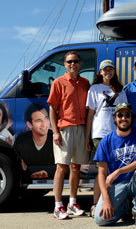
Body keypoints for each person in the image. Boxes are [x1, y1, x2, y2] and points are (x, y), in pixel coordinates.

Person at [93, 102, 136, 226]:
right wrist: (106, 200)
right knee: (100, 219)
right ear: (115, 118)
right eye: (120, 115)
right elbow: (101, 173)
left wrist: (118, 171)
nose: (123, 118)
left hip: (134, 182)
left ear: (132, 118)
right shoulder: (106, 141)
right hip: (117, 185)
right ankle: (125, 207)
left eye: (127, 115)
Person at [47, 51, 90, 220]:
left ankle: (72, 203)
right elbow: (52, 108)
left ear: (80, 63)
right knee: (61, 167)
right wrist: (55, 132)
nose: (73, 64)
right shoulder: (58, 83)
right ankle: (58, 206)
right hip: (64, 129)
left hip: (81, 128)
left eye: (76, 61)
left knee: (76, 167)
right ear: (65, 64)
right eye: (70, 61)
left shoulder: (85, 83)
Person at [86, 59, 127, 216]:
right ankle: (95, 204)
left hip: (116, 135)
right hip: (100, 135)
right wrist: (87, 139)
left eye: (110, 69)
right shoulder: (94, 89)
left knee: (116, 170)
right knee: (101, 171)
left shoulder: (120, 90)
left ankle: (116, 202)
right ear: (100, 72)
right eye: (105, 70)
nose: (108, 72)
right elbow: (90, 115)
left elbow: (124, 114)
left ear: (114, 71)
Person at [14, 103, 54, 179]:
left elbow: (65, 167)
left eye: (46, 118)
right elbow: (15, 166)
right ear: (29, 124)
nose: (44, 124)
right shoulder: (21, 140)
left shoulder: (55, 138)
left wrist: (47, 173)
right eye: (39, 120)